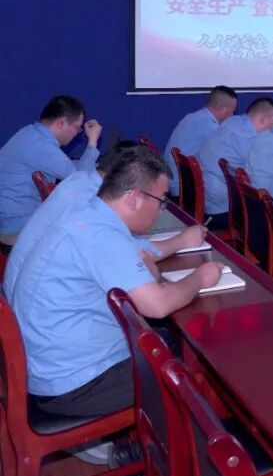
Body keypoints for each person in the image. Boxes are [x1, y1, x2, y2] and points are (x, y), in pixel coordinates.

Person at [11, 148, 222, 419]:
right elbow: (157, 305)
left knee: (169, 338)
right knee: (195, 366)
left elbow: (141, 257)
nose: (160, 211)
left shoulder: (90, 216)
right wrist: (200, 278)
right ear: (135, 198)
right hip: (75, 385)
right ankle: (186, 440)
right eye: (161, 202)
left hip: (54, 363)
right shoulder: (101, 237)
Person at [3, 143, 208, 299]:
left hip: (28, 295)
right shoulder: (88, 203)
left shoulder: (81, 180)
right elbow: (137, 258)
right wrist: (182, 241)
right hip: (40, 310)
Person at [0, 95, 103, 244]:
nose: (77, 134)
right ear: (61, 123)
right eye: (77, 127)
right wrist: (92, 142)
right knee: (88, 233)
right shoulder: (40, 145)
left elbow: (69, 167)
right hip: (18, 230)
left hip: (13, 223)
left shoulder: (31, 134)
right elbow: (81, 180)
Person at [197, 97, 273, 227]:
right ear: (263, 119)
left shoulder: (232, 122)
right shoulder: (250, 139)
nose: (272, 132)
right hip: (221, 209)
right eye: (272, 127)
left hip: (205, 197)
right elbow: (258, 180)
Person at [163, 86, 237, 195]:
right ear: (224, 109)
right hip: (183, 189)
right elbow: (227, 162)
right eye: (233, 111)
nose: (233, 116)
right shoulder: (211, 128)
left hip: (171, 182)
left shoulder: (192, 117)